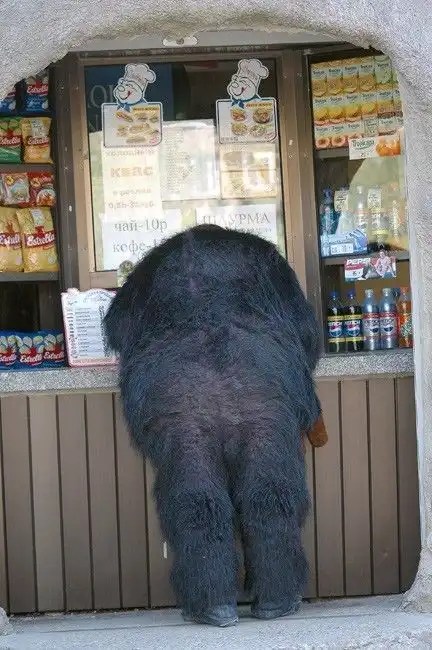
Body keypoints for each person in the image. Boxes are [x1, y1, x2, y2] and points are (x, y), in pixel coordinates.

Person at [104, 225, 322, 627]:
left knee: (194, 491)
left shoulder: (156, 266)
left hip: (177, 384)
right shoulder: (260, 255)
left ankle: (212, 602)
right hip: (259, 376)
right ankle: (276, 595)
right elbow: (307, 334)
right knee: (271, 489)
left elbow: (118, 330)